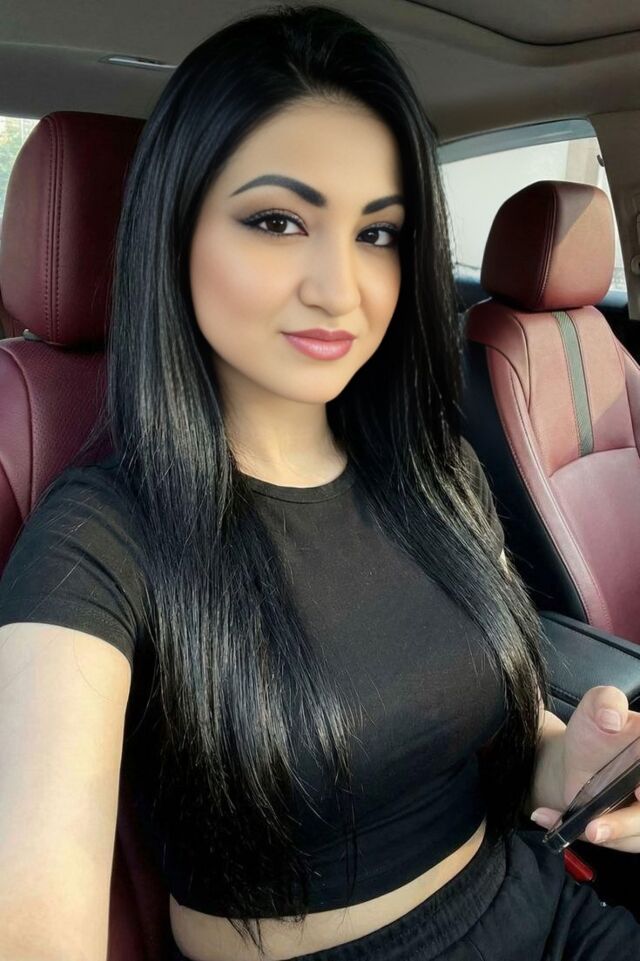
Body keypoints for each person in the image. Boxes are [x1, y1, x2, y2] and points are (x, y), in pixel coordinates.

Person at [1, 4, 640, 960]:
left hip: (551, 912)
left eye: (378, 233)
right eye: (276, 220)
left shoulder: (437, 473)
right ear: (175, 232)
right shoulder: (97, 540)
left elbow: (507, 743)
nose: (340, 289)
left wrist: (570, 757)